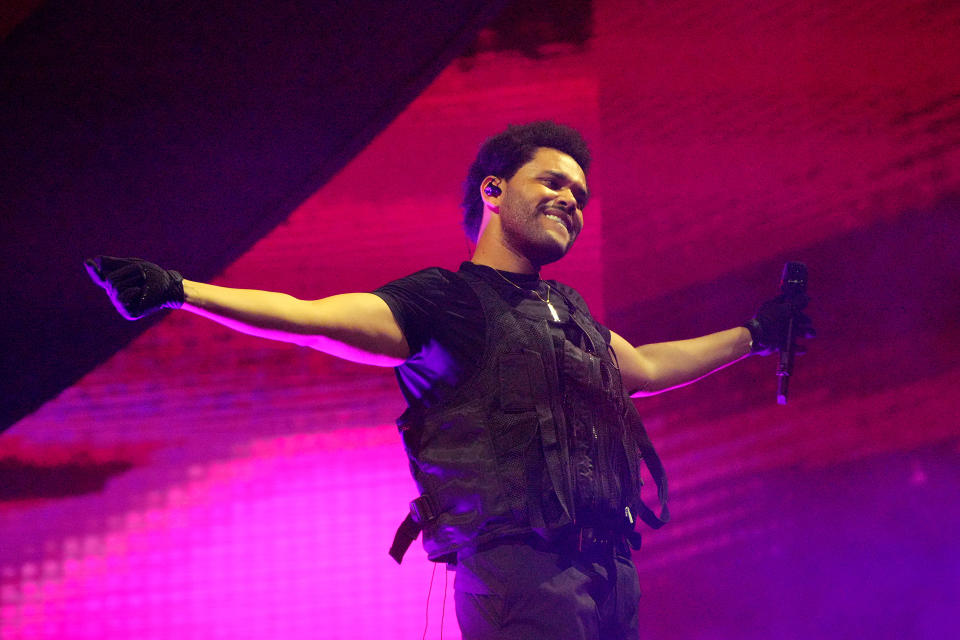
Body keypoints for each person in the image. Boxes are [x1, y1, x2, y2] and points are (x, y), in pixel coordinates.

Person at [86, 121, 812, 640]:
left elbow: (648, 367)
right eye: (552, 182)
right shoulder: (447, 301)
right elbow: (309, 317)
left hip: (610, 572)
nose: (572, 200)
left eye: (581, 194)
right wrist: (182, 288)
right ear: (494, 191)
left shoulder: (573, 314)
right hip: (522, 574)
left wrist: (755, 335)